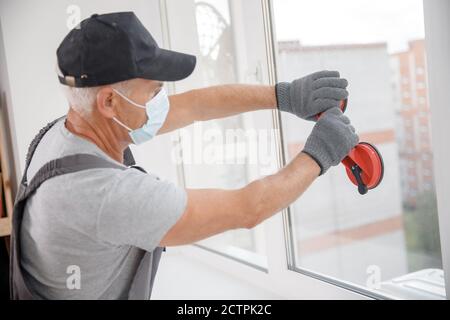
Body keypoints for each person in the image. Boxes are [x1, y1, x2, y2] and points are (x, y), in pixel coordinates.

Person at [18, 12, 357, 299]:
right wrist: (319, 152)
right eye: (153, 90)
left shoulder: (63, 133)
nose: (161, 99)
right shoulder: (108, 195)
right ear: (109, 102)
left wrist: (284, 96)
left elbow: (195, 106)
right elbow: (248, 208)